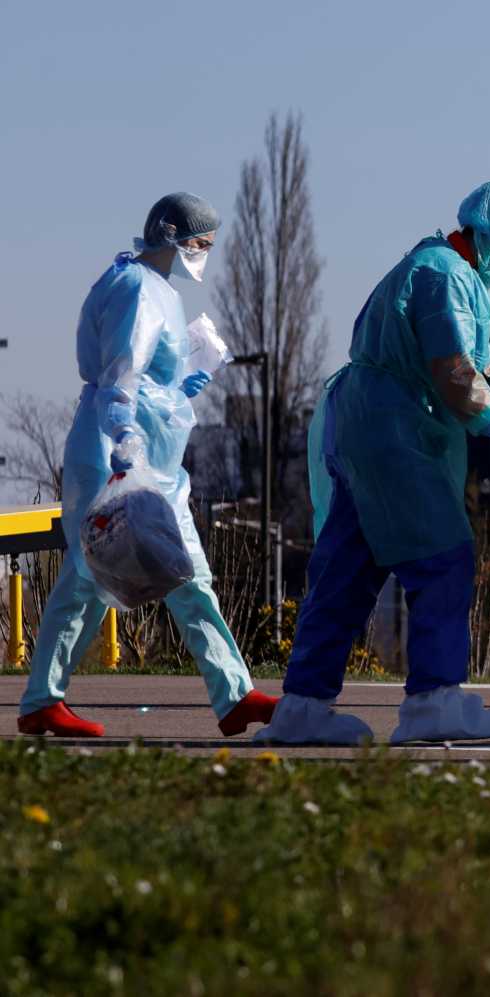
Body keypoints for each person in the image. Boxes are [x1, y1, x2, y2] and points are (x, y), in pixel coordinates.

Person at [255, 181, 490, 746]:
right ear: (489, 236)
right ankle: (434, 702)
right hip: (396, 434)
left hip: (366, 430)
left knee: (346, 569)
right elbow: (458, 375)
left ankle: (303, 707)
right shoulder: (444, 276)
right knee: (443, 558)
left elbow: (487, 370)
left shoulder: (445, 272)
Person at [17, 193, 278, 738]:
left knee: (190, 574)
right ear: (171, 235)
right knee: (89, 575)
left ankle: (234, 695)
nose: (204, 252)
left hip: (152, 461)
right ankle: (42, 700)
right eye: (199, 243)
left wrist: (192, 374)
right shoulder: (137, 289)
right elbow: (121, 373)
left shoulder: (159, 291)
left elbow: (152, 376)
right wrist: (125, 438)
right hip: (113, 455)